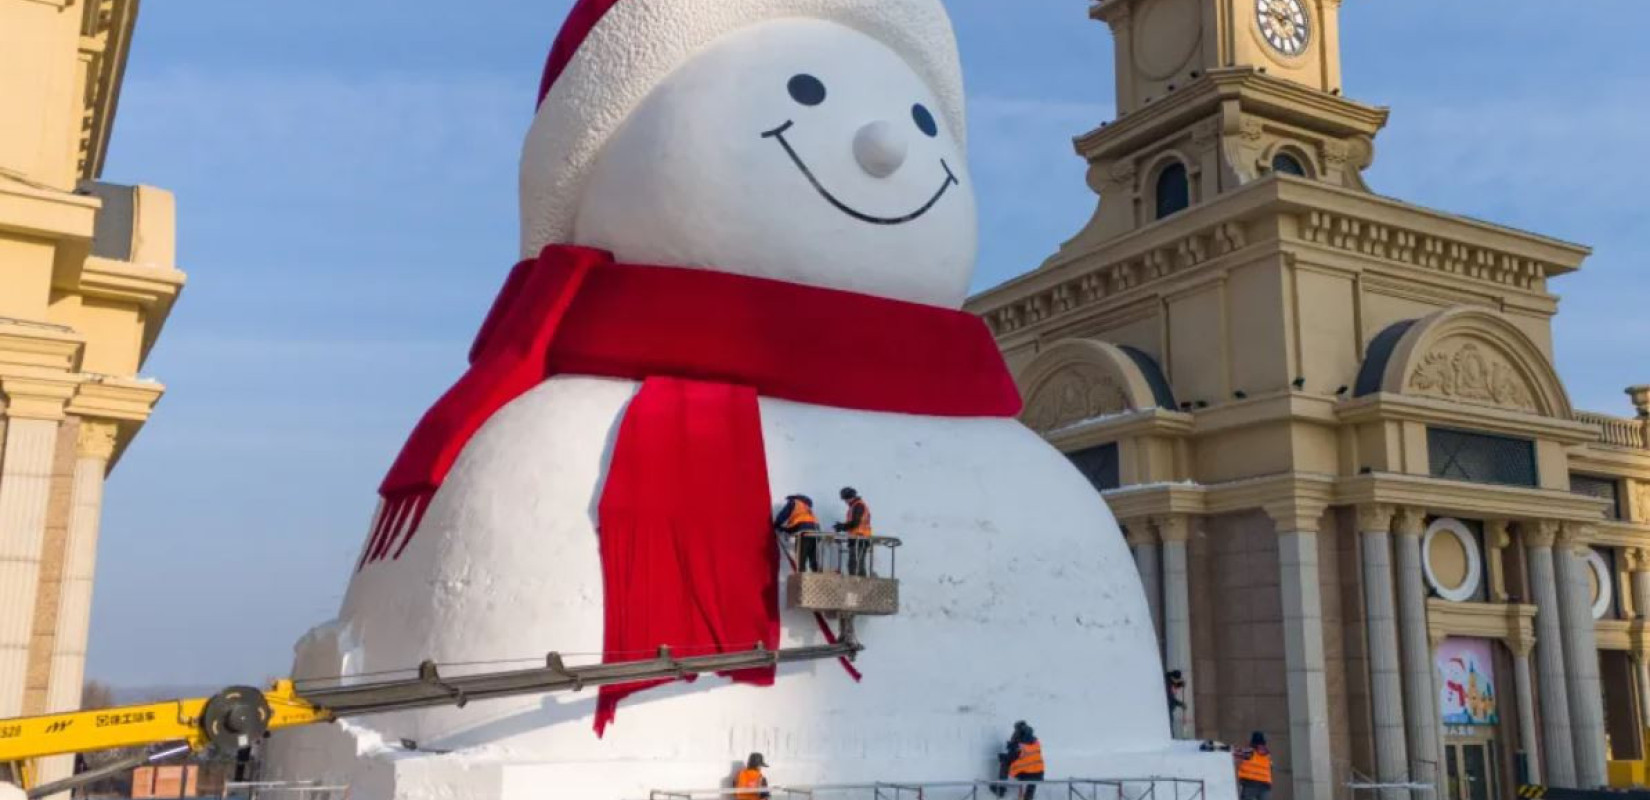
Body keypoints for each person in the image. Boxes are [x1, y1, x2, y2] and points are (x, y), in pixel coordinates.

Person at [774, 494, 822, 572]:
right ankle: (816, 577)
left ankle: (801, 576)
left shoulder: (794, 502)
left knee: (801, 557)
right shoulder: (807, 508)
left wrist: (777, 524)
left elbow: (784, 514)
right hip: (816, 532)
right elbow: (797, 525)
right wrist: (784, 529)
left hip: (804, 532)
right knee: (813, 557)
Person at [833, 487, 873, 576]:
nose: (845, 502)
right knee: (855, 564)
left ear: (850, 497)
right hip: (856, 538)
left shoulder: (858, 505)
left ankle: (858, 585)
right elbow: (854, 523)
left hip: (860, 538)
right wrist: (842, 526)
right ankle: (857, 584)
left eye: (845, 499)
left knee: (856, 564)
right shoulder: (855, 506)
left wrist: (842, 526)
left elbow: (855, 523)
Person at [1233, 731, 1272, 800]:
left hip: (1250, 785)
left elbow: (1234, 753)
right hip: (1265, 787)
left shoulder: (1249, 752)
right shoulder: (1267, 755)